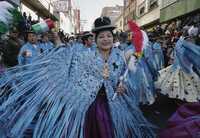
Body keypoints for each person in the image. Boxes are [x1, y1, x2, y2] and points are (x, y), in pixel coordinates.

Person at [0, 16, 155, 138]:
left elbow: (123, 78)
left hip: (113, 103)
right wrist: (57, 39)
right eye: (101, 37)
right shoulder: (83, 55)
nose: (106, 39)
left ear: (113, 38)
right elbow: (66, 56)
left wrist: (122, 86)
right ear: (95, 39)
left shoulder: (119, 56)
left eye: (108, 36)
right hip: (89, 103)